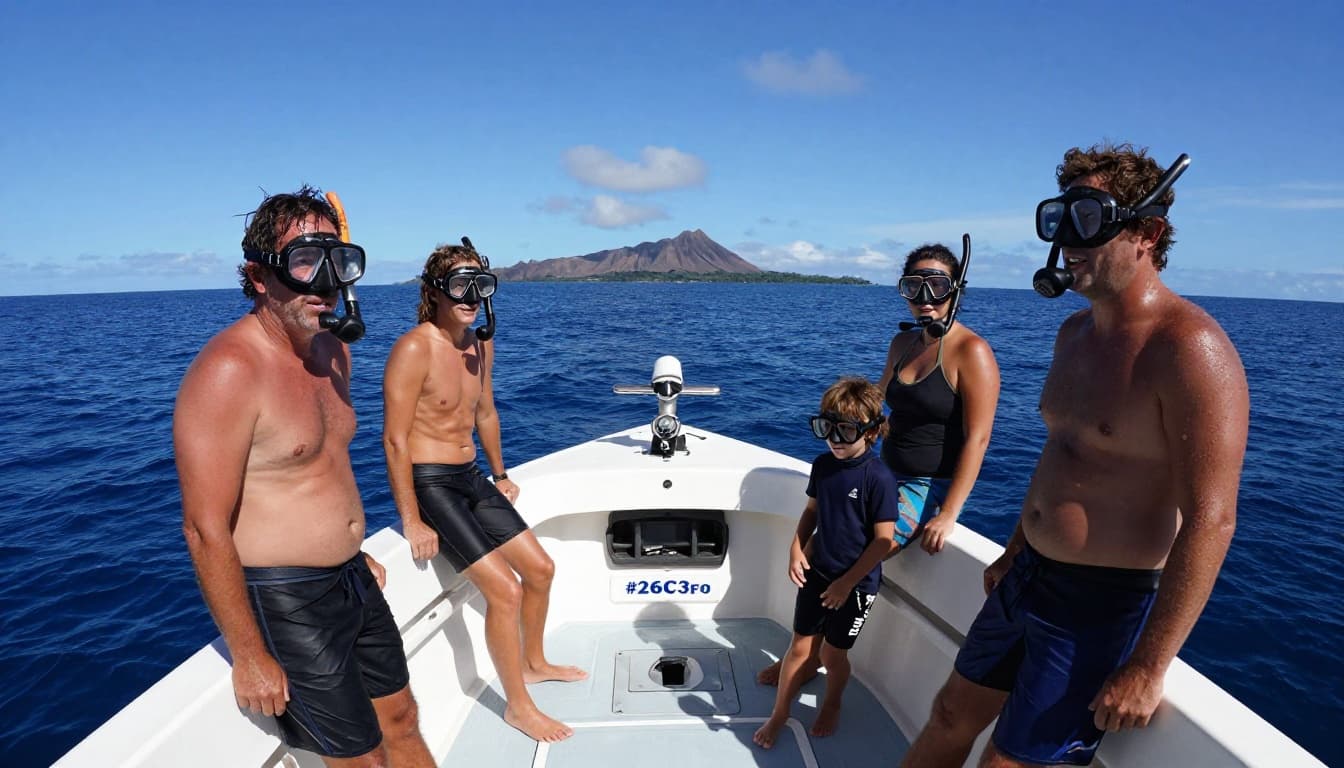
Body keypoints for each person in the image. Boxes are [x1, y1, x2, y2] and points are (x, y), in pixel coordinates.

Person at [900, 143, 1248, 767]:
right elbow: (1061, 457)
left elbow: (1213, 519)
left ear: (1149, 232)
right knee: (950, 714)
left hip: (1098, 603)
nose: (1065, 242)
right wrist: (1015, 549)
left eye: (1088, 220)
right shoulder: (1074, 333)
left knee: (1008, 763)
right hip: (1026, 577)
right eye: (1059, 221)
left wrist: (1148, 664)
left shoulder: (1190, 349)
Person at [176, 187, 435, 767]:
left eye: (337, 264)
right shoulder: (228, 372)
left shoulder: (331, 352)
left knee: (403, 718)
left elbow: (324, 464)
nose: (322, 283)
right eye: (301, 263)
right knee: (360, 758)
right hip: (288, 597)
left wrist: (350, 547)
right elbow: (203, 526)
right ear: (259, 276)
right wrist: (248, 652)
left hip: (352, 577)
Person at [758, 242, 1000, 687]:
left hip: (925, 485)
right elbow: (874, 408)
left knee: (850, 546)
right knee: (825, 524)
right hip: (881, 469)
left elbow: (978, 438)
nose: (925, 296)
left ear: (955, 289)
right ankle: (805, 651)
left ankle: (820, 653)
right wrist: (841, 442)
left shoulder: (973, 352)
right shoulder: (903, 343)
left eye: (937, 285)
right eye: (913, 285)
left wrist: (949, 514)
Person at [382, 241, 586, 744]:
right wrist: (410, 519)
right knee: (506, 589)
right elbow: (395, 439)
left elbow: (485, 412)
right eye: (459, 286)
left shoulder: (479, 343)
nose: (471, 297)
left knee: (540, 569)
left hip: (472, 477)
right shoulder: (414, 347)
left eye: (481, 285)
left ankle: (534, 663)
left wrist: (500, 474)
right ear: (435, 292)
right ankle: (519, 707)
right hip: (433, 485)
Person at [753, 377, 899, 748]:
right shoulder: (823, 466)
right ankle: (780, 713)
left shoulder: (877, 478)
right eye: (826, 428)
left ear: (870, 431)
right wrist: (796, 548)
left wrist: (847, 583)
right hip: (819, 574)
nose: (834, 438)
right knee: (800, 645)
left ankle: (832, 702)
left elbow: (884, 541)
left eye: (846, 430)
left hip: (856, 585)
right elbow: (811, 513)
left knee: (833, 653)